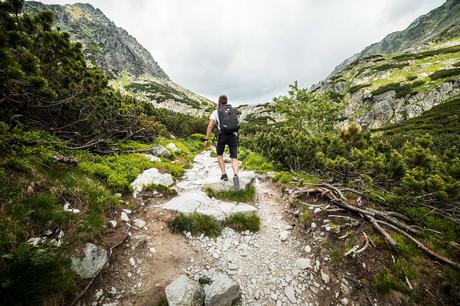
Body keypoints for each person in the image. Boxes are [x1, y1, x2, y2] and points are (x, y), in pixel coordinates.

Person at [204, 95, 240, 190]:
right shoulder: (231, 111)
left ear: (219, 102)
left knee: (220, 155)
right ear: (226, 102)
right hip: (233, 135)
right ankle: (236, 174)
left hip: (222, 135)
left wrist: (206, 139)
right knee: (234, 157)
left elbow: (210, 126)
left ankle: (224, 174)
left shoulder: (216, 112)